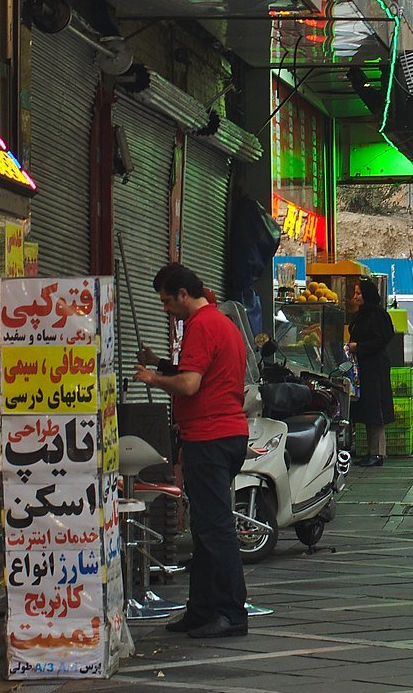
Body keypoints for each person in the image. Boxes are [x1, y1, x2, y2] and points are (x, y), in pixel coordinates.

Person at [134, 263, 252, 639]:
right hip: (225, 435)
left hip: (209, 438)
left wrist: (152, 378)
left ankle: (232, 613)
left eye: (167, 301)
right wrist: (160, 362)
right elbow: (203, 372)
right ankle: (201, 610)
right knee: (204, 528)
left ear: (183, 294)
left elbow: (188, 383)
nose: (166, 308)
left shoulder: (200, 326)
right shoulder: (223, 324)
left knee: (215, 530)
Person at [347, 278, 394, 467]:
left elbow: (381, 340)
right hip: (364, 367)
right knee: (367, 409)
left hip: (375, 368)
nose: (355, 297)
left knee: (375, 409)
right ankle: (371, 451)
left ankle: (378, 453)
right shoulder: (362, 314)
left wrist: (359, 347)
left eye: (359, 293)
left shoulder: (377, 315)